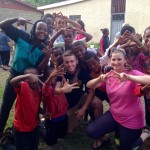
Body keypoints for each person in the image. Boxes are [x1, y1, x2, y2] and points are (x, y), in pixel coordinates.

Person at [86, 48, 150, 150]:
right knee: (91, 131)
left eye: (119, 59)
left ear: (125, 60)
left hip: (132, 120)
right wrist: (99, 78)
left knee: (125, 148)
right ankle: (117, 130)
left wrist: (128, 77)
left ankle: (140, 134)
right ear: (110, 60)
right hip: (114, 115)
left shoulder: (132, 73)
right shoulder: (109, 75)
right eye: (113, 59)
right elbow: (89, 85)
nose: (116, 62)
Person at [0, 17, 50, 137]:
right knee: (6, 106)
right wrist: (17, 18)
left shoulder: (44, 47)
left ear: (47, 32)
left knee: (32, 107)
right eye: (39, 28)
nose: (42, 31)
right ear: (34, 29)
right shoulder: (22, 36)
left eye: (45, 29)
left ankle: (34, 129)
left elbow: (39, 69)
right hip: (15, 76)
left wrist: (47, 57)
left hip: (31, 81)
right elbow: (3, 25)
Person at [55, 50, 101, 133]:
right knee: (68, 131)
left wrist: (83, 108)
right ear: (64, 63)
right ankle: (70, 118)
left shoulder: (83, 71)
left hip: (81, 98)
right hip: (69, 105)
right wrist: (63, 90)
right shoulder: (61, 72)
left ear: (76, 61)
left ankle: (98, 127)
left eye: (72, 61)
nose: (69, 64)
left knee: (97, 102)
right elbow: (56, 90)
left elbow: (91, 91)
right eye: (67, 62)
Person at [10, 67, 42, 150]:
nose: (33, 79)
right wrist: (27, 76)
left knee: (34, 146)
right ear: (24, 80)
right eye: (29, 77)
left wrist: (44, 111)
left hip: (34, 127)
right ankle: (8, 145)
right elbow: (12, 82)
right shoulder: (23, 87)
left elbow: (36, 106)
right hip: (21, 130)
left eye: (35, 76)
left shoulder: (38, 90)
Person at [42, 67, 71, 146]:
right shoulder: (47, 88)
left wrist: (61, 76)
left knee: (62, 134)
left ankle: (59, 133)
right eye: (51, 76)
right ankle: (42, 130)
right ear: (46, 77)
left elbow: (66, 84)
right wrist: (50, 77)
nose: (54, 78)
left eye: (56, 76)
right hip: (53, 119)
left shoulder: (60, 86)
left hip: (64, 115)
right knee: (51, 142)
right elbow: (45, 88)